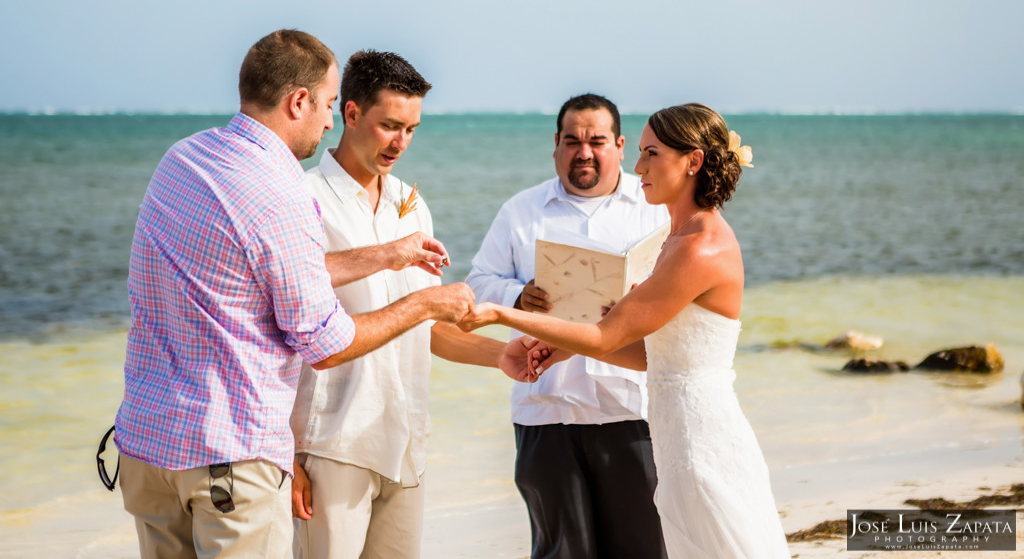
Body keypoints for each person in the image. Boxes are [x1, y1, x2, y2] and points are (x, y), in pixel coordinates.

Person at [114, 30, 474, 559]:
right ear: (298, 101)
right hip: (228, 459)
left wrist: (387, 254)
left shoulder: (183, 158)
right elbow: (324, 343)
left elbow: (266, 268)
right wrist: (424, 304)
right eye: (329, 105)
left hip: (148, 448)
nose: (329, 121)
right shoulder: (283, 192)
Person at [460, 103, 791, 559]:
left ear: (692, 161)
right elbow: (651, 352)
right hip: (671, 429)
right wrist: (559, 348)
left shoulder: (699, 248)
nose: (638, 167)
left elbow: (604, 336)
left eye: (650, 154)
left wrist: (503, 317)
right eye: (639, 152)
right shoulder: (677, 238)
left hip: (696, 436)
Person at [289, 49, 538, 559]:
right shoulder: (302, 198)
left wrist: (500, 355)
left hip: (406, 444)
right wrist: (287, 456)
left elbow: (420, 321)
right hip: (330, 447)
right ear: (351, 113)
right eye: (389, 126)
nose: (401, 142)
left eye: (412, 129)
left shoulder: (411, 203)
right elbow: (280, 333)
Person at [465, 94, 670, 559]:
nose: (584, 151)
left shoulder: (654, 207)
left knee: (642, 548)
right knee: (561, 551)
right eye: (572, 140)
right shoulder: (521, 211)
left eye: (597, 141)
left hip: (631, 408)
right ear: (555, 145)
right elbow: (477, 284)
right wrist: (517, 296)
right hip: (546, 409)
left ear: (619, 146)